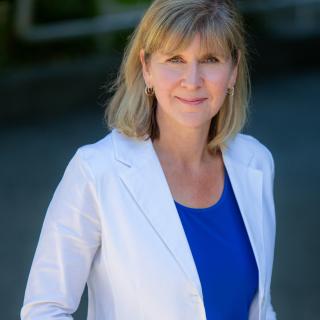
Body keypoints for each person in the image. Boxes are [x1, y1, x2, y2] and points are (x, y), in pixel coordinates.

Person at [21, 0, 277, 319]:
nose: (193, 79)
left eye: (210, 59)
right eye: (175, 59)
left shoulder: (256, 162)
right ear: (147, 68)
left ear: (233, 70)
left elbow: (260, 306)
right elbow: (46, 309)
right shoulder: (96, 171)